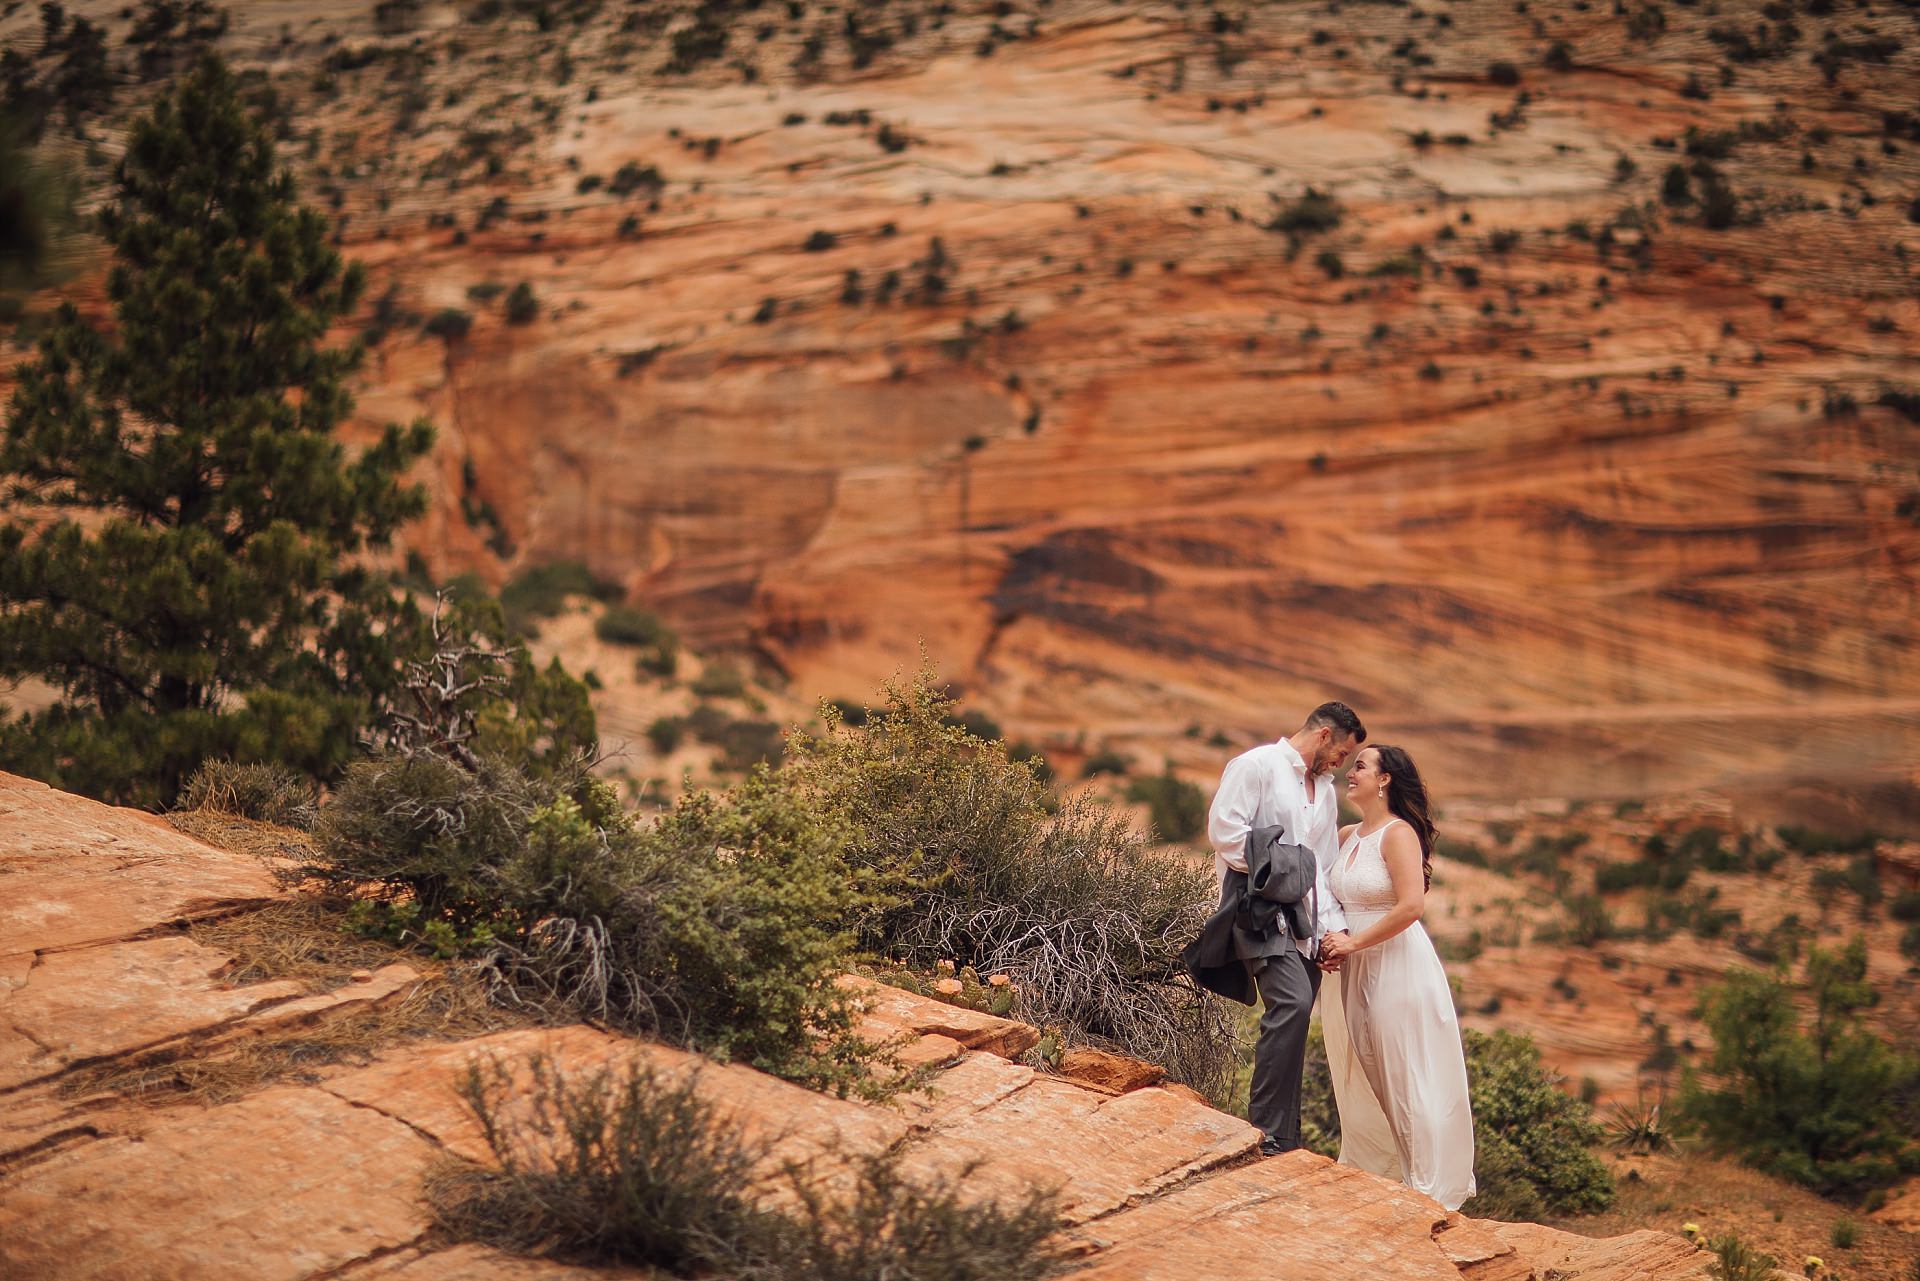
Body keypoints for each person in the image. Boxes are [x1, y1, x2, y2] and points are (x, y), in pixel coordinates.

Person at [1319, 744, 1477, 1210]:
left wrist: (1352, 944)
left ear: (1385, 779)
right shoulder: (1348, 834)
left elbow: (1411, 906)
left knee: (1405, 1071)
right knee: (1365, 1070)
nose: (1351, 772)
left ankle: (1427, 1189)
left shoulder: (1398, 834)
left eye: (1361, 766)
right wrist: (1333, 941)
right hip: (1353, 967)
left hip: (1396, 964)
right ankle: (1382, 1175)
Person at [1206, 701, 1365, 1156]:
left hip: (1305, 926)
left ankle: (1285, 1138)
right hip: (1255, 910)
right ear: (1324, 735)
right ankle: (1264, 1132)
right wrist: (1285, 871)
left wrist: (1329, 934)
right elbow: (1226, 834)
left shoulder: (1327, 792)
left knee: (1296, 1021)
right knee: (1292, 1004)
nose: (1342, 765)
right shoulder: (1256, 766)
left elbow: (1325, 868)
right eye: (1341, 755)